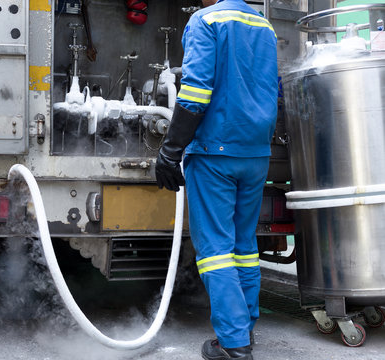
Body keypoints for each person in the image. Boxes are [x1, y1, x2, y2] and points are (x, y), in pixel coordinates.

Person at [155, 0, 278, 359]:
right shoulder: (263, 25)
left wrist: (171, 149)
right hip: (255, 153)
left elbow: (194, 92)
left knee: (215, 253)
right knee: (244, 247)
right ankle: (245, 330)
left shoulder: (205, 20)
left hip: (214, 151)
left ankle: (233, 345)